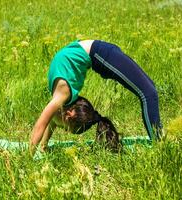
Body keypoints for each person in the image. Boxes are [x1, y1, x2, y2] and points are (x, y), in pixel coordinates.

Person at [29, 40, 163, 156]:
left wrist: (28, 157)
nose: (61, 128)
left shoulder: (63, 94)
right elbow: (52, 120)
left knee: (149, 94)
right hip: (99, 53)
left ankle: (160, 147)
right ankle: (159, 143)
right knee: (149, 88)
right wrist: (43, 146)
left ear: (69, 115)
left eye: (65, 128)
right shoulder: (60, 100)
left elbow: (41, 124)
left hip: (101, 53)